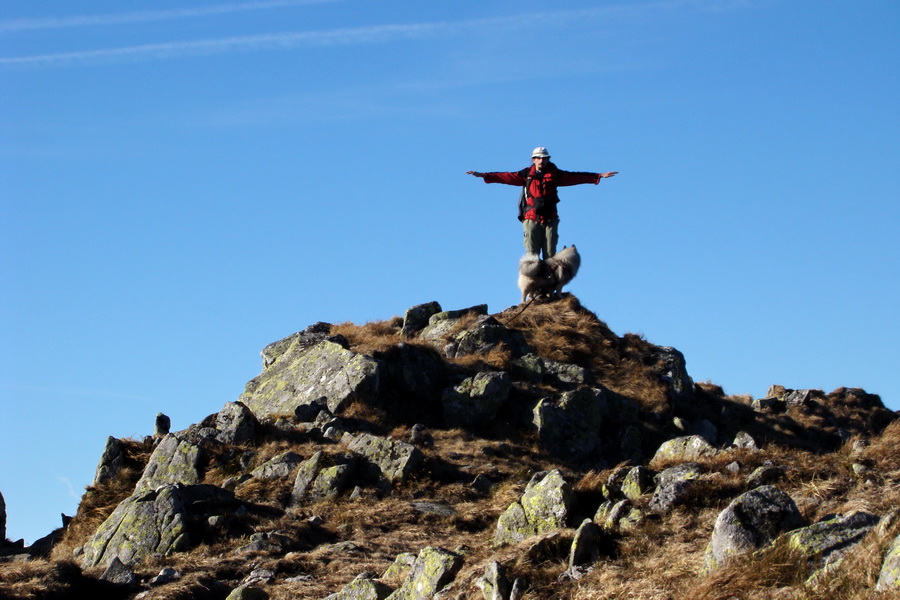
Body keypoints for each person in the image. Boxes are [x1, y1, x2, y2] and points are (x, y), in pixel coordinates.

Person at [467, 147, 617, 259]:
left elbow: (575, 177)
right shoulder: (526, 175)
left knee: (550, 254)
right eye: (538, 158)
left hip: (550, 218)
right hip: (531, 217)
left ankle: (548, 290)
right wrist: (483, 175)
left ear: (548, 159)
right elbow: (506, 177)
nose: (541, 161)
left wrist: (598, 176)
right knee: (531, 255)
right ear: (533, 159)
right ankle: (535, 290)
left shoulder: (555, 175)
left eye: (544, 158)